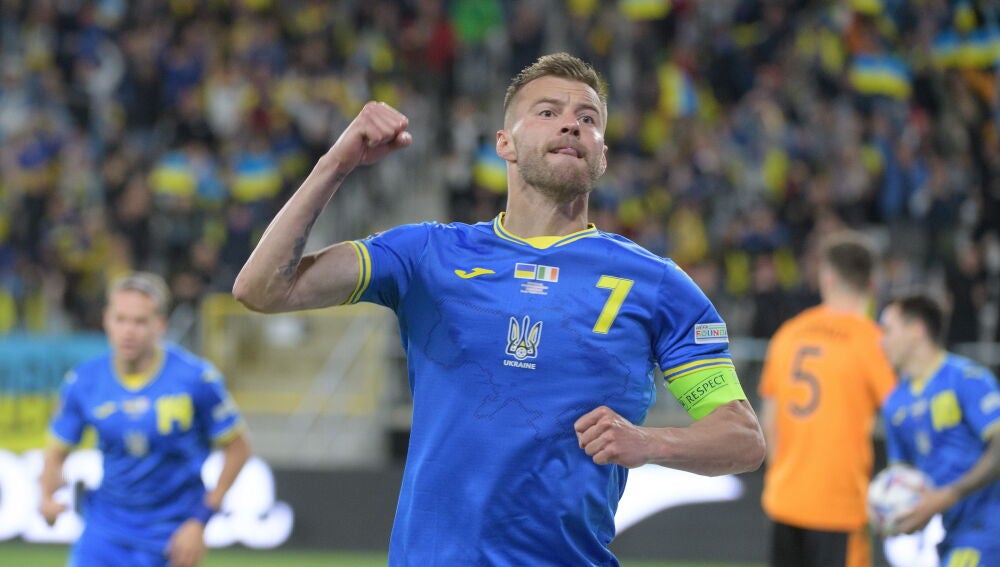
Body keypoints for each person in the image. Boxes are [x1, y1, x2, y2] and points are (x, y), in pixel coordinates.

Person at [233, 52, 765, 565]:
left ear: (602, 155)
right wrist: (336, 162)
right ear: (504, 144)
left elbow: (742, 439)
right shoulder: (427, 254)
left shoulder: (657, 284)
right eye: (548, 112)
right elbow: (262, 289)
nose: (572, 124)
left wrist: (648, 442)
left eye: (588, 119)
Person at [39, 272, 251, 567]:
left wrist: (199, 521)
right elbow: (56, 451)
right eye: (120, 319)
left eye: (139, 322)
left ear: (160, 325)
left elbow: (239, 449)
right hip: (104, 533)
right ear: (106, 320)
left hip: (172, 537)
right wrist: (47, 497)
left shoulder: (195, 379)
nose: (128, 331)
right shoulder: (84, 381)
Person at [758, 233, 897, 567]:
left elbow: (769, 421)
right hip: (839, 505)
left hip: (785, 497)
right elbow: (902, 414)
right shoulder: (874, 342)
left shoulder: (789, 333)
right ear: (873, 283)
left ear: (828, 277)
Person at [878, 293, 1000, 565]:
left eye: (887, 330)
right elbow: (902, 478)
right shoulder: (894, 405)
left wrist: (946, 497)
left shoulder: (966, 378)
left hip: (989, 527)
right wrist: (894, 512)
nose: (880, 341)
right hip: (951, 535)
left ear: (917, 330)